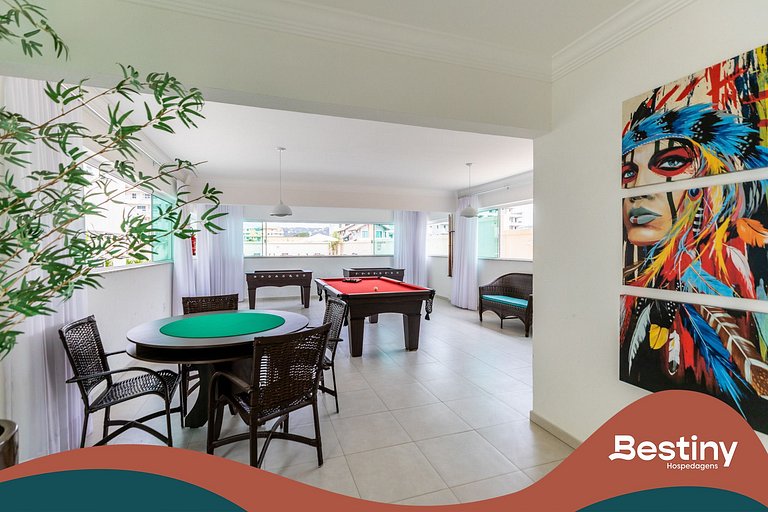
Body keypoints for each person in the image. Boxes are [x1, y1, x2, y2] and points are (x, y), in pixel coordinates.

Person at [620, 102, 768, 432]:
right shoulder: (643, 280)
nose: (638, 192)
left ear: (710, 179)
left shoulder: (731, 264)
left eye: (672, 162)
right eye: (628, 174)